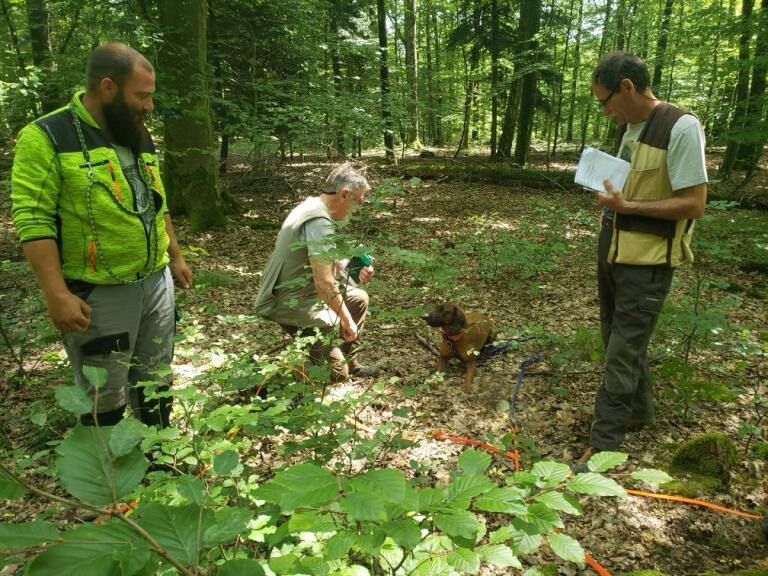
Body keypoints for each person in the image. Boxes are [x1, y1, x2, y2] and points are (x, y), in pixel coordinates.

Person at [11, 42, 192, 428]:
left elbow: (156, 202)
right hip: (98, 293)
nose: (149, 106)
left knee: (156, 378)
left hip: (155, 283)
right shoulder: (47, 136)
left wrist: (174, 256)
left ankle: (159, 466)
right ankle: (109, 480)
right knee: (104, 391)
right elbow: (33, 219)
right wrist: (57, 294)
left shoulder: (137, 133)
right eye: (141, 95)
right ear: (108, 88)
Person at [576, 51, 708, 470]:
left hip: (648, 260)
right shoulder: (628, 127)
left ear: (628, 87)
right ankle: (637, 411)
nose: (605, 111)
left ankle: (602, 448)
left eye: (606, 101)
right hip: (613, 245)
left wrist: (628, 206)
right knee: (616, 336)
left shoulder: (681, 128)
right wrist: (611, 201)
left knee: (623, 349)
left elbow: (694, 203)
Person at [255, 163, 379, 382]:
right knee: (335, 374)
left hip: (304, 295)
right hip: (291, 301)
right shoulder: (318, 220)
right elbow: (324, 283)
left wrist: (349, 268)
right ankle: (263, 383)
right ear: (344, 194)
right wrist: (347, 321)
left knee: (358, 298)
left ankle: (351, 361)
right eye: (358, 201)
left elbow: (320, 256)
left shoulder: (313, 206)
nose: (358, 208)